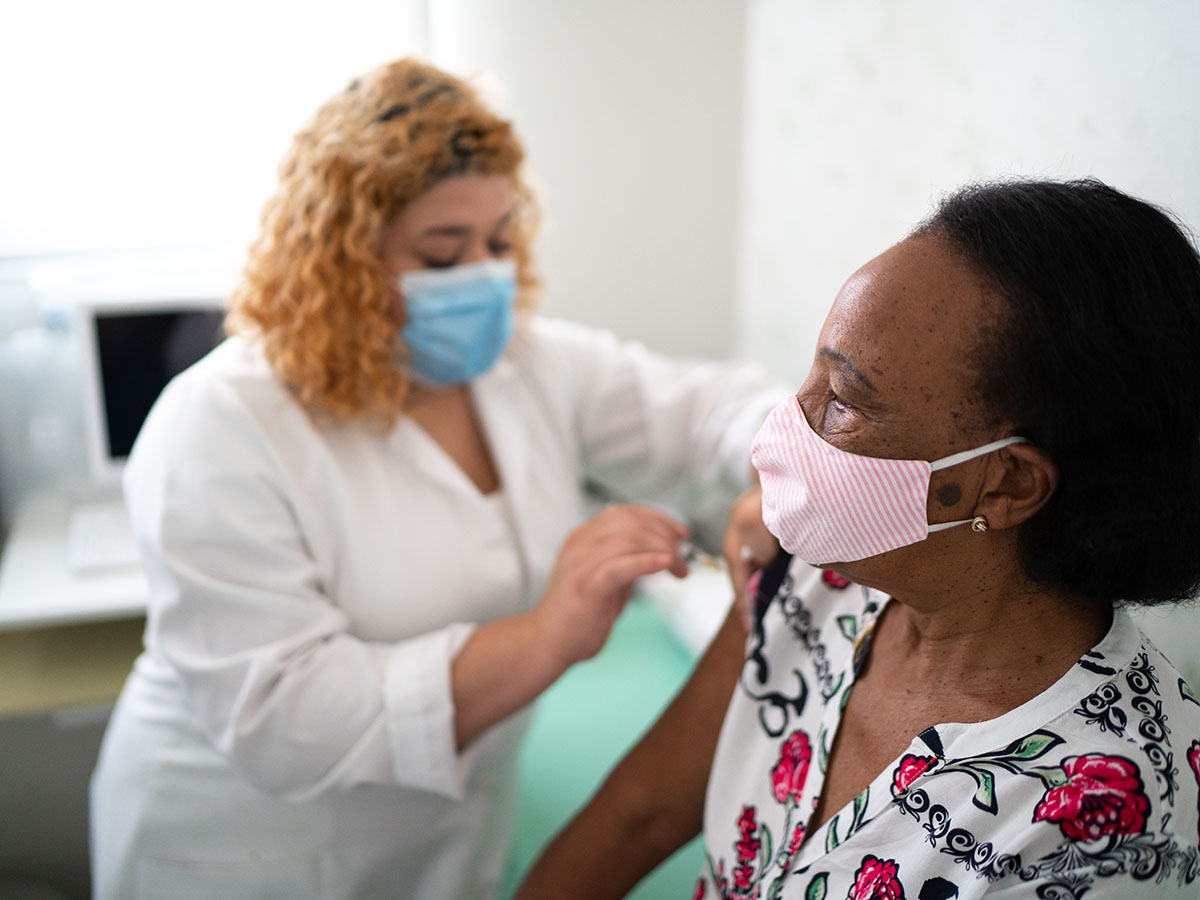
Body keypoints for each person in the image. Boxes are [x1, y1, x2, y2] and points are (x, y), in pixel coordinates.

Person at [88, 57, 786, 900]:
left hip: (449, 840)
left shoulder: (525, 368)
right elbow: (282, 722)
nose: (485, 277)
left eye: (499, 242)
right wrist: (547, 634)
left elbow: (716, 411)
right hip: (244, 851)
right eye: (442, 252)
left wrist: (783, 478)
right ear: (337, 261)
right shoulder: (223, 423)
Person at [514, 178, 1200, 899]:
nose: (785, 425)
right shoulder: (814, 580)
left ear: (1006, 486)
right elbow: (638, 815)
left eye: (841, 401)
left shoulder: (1115, 818)